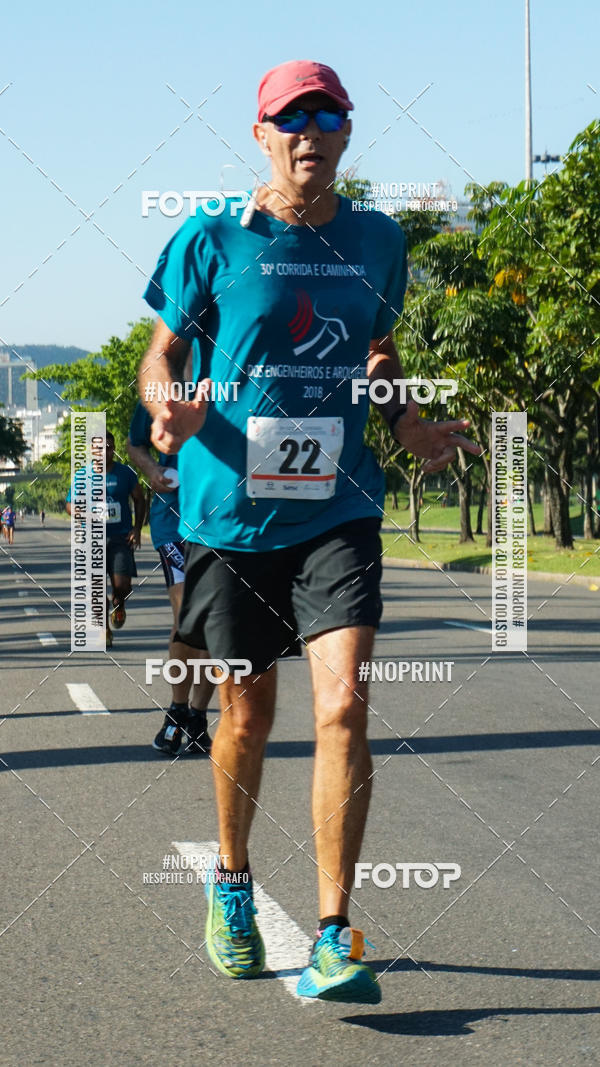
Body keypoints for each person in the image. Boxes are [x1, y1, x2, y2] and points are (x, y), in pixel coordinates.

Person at [138, 59, 481, 1003]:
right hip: (230, 516)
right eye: (291, 119)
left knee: (344, 706)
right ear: (261, 134)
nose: (309, 133)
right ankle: (234, 882)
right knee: (246, 714)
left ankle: (334, 930)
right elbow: (161, 353)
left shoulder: (378, 240)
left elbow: (377, 345)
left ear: (345, 134)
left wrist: (404, 419)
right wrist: (167, 406)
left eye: (327, 117)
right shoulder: (211, 237)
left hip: (339, 508)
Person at [127, 402, 214, 754]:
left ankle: (197, 716)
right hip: (173, 522)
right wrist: (151, 469)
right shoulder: (161, 390)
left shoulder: (238, 374)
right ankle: (177, 708)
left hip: (222, 520)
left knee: (212, 622)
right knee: (186, 616)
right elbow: (136, 443)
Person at [66, 431, 145, 647]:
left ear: (113, 449)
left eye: (108, 447)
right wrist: (82, 513)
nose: (104, 451)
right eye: (99, 447)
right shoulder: (82, 476)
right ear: (92, 450)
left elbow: (139, 499)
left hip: (120, 538)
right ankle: (104, 630)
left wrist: (137, 528)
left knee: (122, 585)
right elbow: (70, 504)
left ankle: (119, 603)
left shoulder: (125, 474)